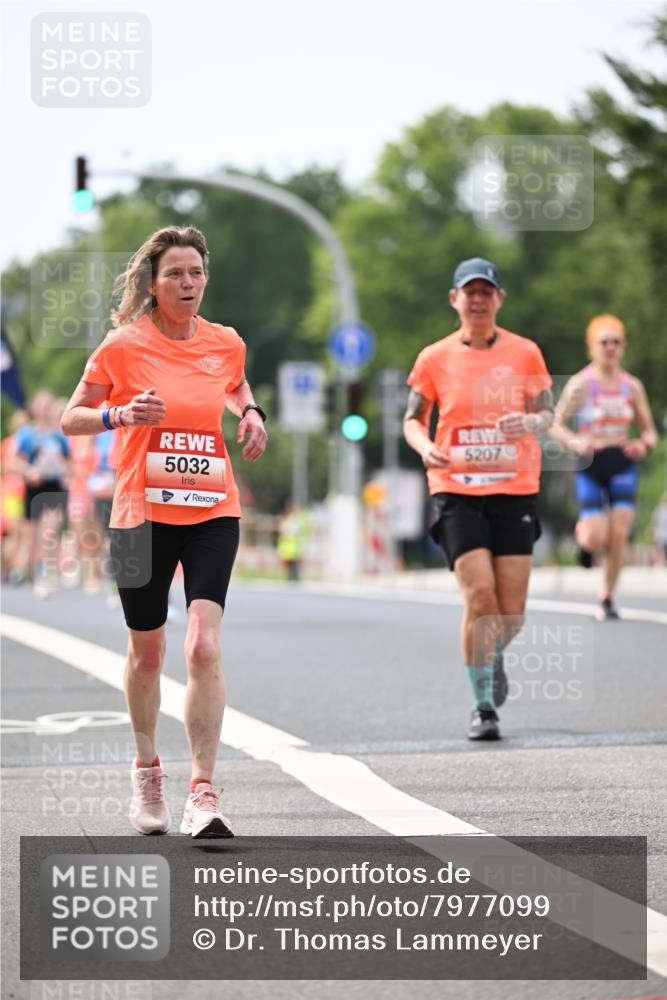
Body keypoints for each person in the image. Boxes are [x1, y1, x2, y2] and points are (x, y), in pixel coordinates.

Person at [61, 226, 268, 837]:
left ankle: (203, 791)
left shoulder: (225, 342)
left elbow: (232, 383)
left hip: (210, 507)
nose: (188, 284)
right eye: (175, 273)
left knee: (202, 644)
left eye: (196, 273)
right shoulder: (122, 347)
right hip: (137, 514)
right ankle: (148, 769)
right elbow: (74, 416)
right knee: (146, 653)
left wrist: (250, 412)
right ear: (151, 283)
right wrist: (118, 414)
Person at [403, 257, 553, 740]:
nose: (478, 299)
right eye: (470, 292)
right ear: (455, 300)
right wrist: (427, 447)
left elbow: (547, 414)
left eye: (487, 291)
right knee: (481, 597)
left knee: (509, 612)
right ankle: (483, 704)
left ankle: (493, 658)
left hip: (514, 489)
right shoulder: (434, 357)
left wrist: (530, 424)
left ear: (499, 299)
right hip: (456, 490)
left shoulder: (525, 353)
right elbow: (412, 418)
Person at [550, 315, 658, 620]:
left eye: (615, 342)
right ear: (592, 348)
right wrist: (575, 442)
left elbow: (649, 431)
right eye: (603, 342)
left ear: (622, 347)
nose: (610, 348)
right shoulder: (580, 384)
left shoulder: (632, 387)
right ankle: (584, 540)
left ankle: (607, 595)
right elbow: (555, 425)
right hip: (591, 462)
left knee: (620, 529)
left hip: (621, 460)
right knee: (597, 537)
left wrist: (643, 444)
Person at [14, 389, 71, 597]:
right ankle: (26, 572)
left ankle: (47, 571)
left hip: (54, 486)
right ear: (36, 409)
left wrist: (66, 470)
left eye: (48, 405)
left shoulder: (60, 434)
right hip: (34, 487)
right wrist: (29, 472)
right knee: (31, 534)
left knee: (51, 530)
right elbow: (15, 462)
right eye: (42, 405)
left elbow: (70, 462)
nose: (45, 409)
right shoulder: (27, 433)